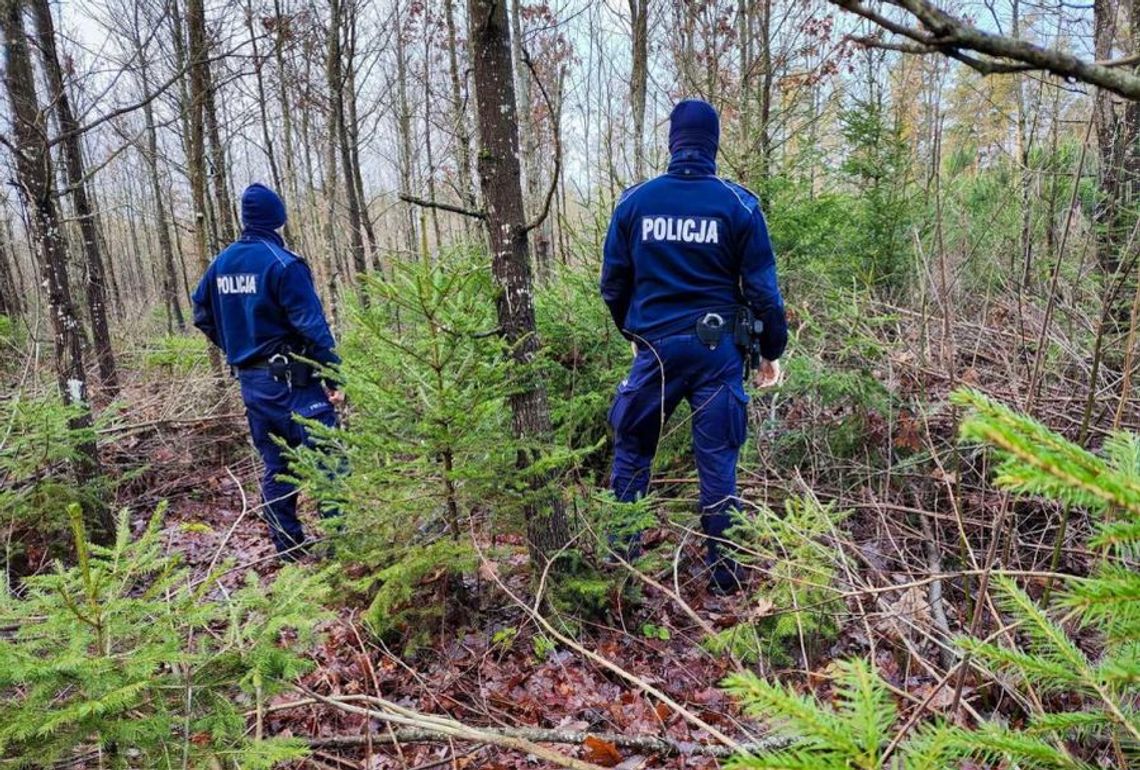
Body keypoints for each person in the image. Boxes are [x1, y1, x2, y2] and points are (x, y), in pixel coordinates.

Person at [599, 99, 788, 594]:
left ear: (672, 141)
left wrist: (637, 337)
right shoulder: (738, 205)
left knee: (632, 455)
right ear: (713, 143)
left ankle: (622, 577)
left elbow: (613, 286)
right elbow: (764, 292)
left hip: (655, 352)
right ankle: (726, 581)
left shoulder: (634, 203)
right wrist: (773, 348)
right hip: (717, 357)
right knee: (718, 467)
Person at [192, 183, 343, 560]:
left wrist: (237, 348)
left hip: (253, 385)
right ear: (278, 217)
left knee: (278, 463)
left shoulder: (221, 264)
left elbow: (201, 315)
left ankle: (287, 549)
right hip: (295, 384)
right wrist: (332, 376)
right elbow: (312, 326)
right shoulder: (283, 263)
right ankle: (345, 547)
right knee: (328, 461)